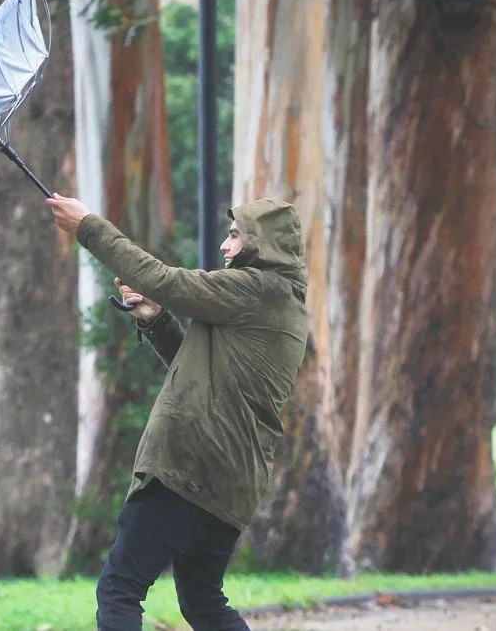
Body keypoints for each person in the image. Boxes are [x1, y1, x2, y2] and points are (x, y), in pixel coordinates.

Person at [46, 193, 309, 631]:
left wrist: (88, 226)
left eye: (236, 235)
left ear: (262, 243)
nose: (226, 246)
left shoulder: (255, 288)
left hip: (190, 470)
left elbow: (165, 279)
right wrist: (156, 319)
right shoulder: (280, 300)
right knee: (203, 604)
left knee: (119, 590)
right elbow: (201, 380)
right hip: (230, 482)